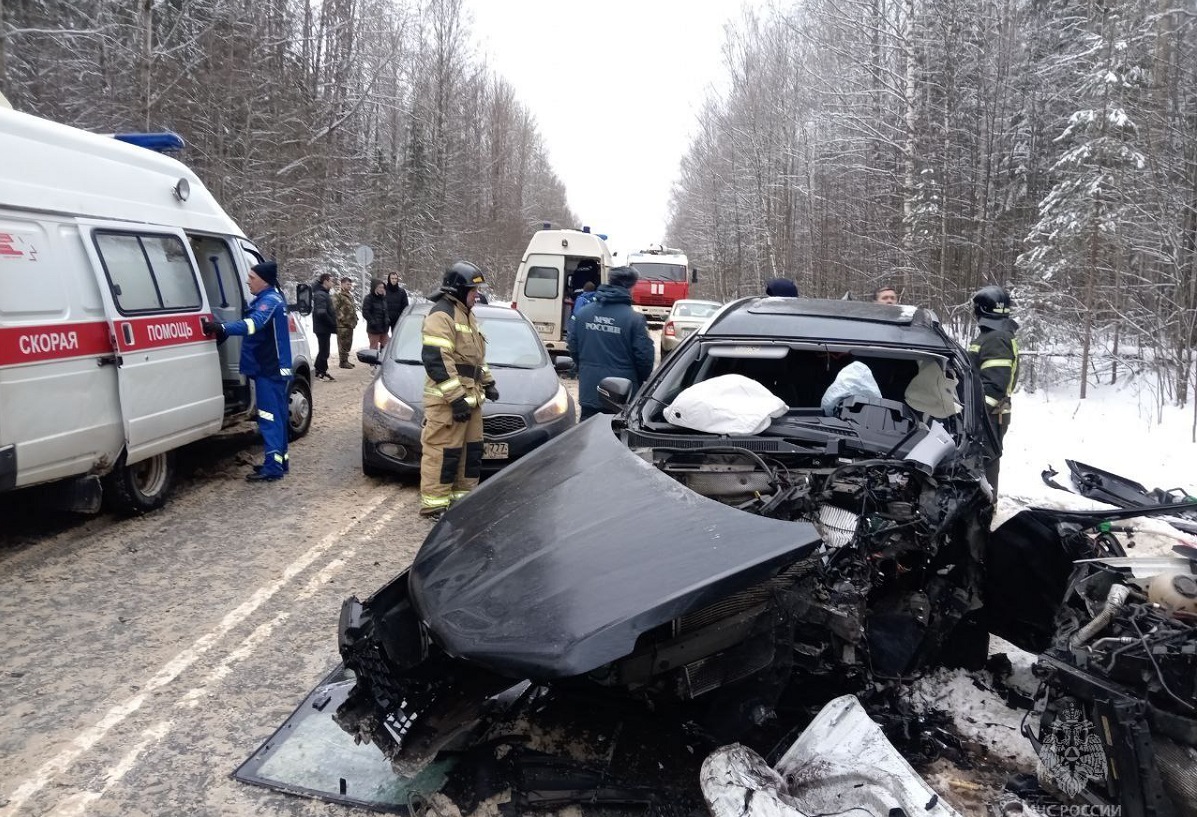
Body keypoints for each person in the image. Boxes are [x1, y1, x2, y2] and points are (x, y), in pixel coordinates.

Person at [418, 261, 499, 518]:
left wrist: (488, 382)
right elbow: (437, 360)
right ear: (457, 290)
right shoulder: (441, 315)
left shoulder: (467, 314)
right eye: (473, 291)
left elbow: (474, 359)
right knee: (444, 452)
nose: (478, 295)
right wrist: (455, 399)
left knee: (470, 453)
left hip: (471, 399)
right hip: (448, 403)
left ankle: (462, 503)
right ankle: (435, 506)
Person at [204, 261, 292, 482]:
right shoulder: (268, 299)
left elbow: (253, 324)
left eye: (251, 277)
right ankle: (279, 462)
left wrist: (223, 328)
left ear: (264, 280)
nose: (247, 281)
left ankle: (273, 468)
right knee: (277, 417)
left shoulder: (270, 301)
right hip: (271, 370)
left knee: (269, 418)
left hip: (270, 371)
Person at [568, 266, 654, 421]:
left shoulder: (583, 314)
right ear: (630, 287)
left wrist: (586, 369)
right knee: (617, 440)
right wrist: (639, 381)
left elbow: (573, 346)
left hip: (591, 392)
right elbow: (645, 359)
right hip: (622, 395)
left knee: (588, 439)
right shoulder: (634, 320)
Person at [968, 285, 1020, 493]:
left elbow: (995, 386)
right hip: (990, 413)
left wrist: (974, 413)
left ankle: (984, 512)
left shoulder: (996, 338)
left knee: (985, 464)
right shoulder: (996, 335)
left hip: (990, 415)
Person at [311, 273, 337, 381]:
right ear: (325, 281)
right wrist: (331, 322)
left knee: (324, 350)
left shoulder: (323, 293)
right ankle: (320, 371)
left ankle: (320, 370)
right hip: (322, 327)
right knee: (324, 350)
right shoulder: (320, 294)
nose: (332, 283)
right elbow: (321, 313)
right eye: (331, 281)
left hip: (324, 327)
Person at [333, 276, 358, 368]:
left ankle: (346, 360)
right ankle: (342, 362)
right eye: (347, 284)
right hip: (342, 324)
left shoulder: (349, 295)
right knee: (343, 343)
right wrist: (342, 318)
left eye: (350, 284)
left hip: (350, 323)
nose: (349, 286)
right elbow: (334, 309)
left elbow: (351, 309)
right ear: (342, 284)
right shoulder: (338, 295)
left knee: (348, 343)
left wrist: (355, 318)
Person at [362, 278, 390, 350]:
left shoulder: (384, 298)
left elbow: (386, 311)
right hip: (374, 329)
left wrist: (387, 319)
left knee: (387, 346)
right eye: (380, 287)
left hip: (384, 328)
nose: (382, 289)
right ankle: (372, 361)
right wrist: (373, 322)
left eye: (383, 287)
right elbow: (365, 312)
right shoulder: (369, 298)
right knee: (374, 349)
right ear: (375, 288)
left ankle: (383, 361)